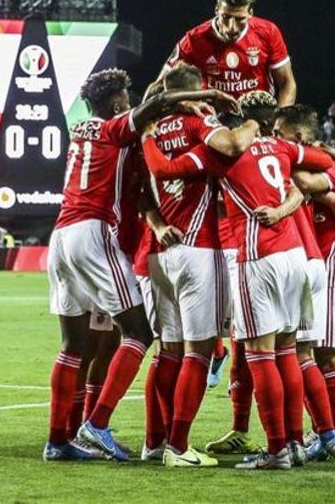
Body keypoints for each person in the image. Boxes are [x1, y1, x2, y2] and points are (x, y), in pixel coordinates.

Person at [42, 68, 236, 462]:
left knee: (73, 344)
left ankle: (57, 440)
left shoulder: (81, 130)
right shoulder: (115, 128)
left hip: (60, 236)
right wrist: (208, 94)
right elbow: (156, 105)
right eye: (126, 99)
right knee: (139, 331)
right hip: (94, 232)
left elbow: (150, 105)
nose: (131, 104)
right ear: (116, 104)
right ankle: (96, 425)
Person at [141, 90, 335, 470]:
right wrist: (291, 198)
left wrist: (148, 134)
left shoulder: (222, 154)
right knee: (288, 353)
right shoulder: (281, 147)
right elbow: (324, 160)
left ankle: (277, 450)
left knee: (259, 355)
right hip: (295, 255)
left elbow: (163, 170)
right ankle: (295, 442)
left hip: (257, 257)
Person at [140, 64, 260, 468]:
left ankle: (154, 442)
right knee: (199, 350)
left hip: (159, 252)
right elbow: (229, 146)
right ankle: (178, 446)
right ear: (193, 97)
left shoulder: (149, 129)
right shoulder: (196, 123)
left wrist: (156, 222)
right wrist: (252, 124)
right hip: (197, 248)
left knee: (166, 352)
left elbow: (146, 187)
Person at [274, 104, 335, 460]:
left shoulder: (328, 166)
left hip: (332, 271)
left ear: (300, 137)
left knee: (327, 357)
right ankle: (322, 435)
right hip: (304, 269)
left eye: (281, 133)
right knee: (301, 353)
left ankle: (328, 437)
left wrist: (326, 192)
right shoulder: (307, 161)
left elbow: (309, 183)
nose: (275, 139)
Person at [155, 0, 297, 106]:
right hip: (213, 119)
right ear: (217, 10)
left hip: (257, 116)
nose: (232, 27)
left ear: (250, 14)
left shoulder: (268, 32)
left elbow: (287, 83)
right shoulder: (193, 40)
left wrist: (278, 122)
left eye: (240, 19)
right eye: (226, 17)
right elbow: (160, 86)